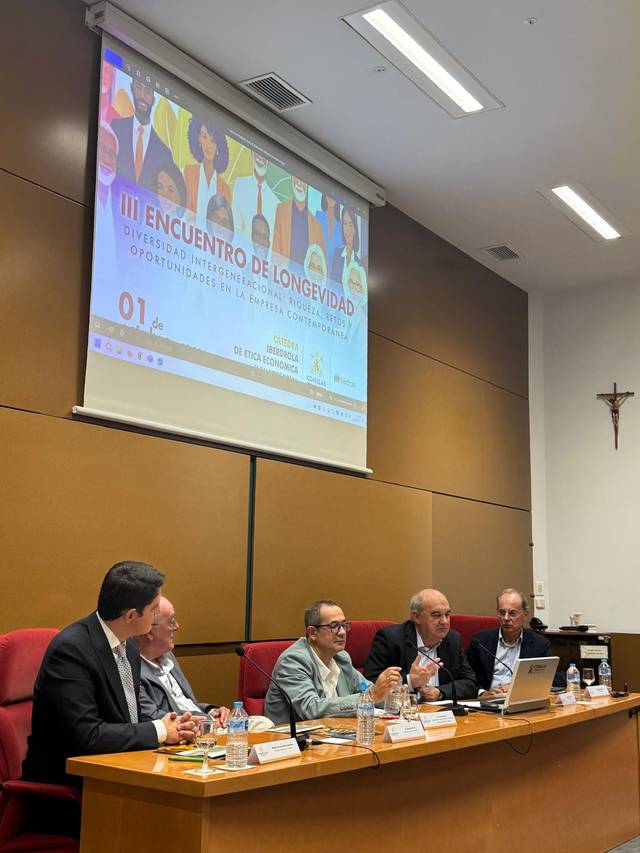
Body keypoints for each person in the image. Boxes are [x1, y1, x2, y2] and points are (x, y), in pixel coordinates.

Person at [23, 561, 195, 786]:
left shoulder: (129, 646)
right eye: (154, 610)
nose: (156, 617)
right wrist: (159, 730)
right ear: (131, 616)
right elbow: (88, 736)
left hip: (120, 767)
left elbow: (127, 719)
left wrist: (173, 727)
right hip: (69, 783)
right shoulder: (71, 650)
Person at [264, 599, 401, 724]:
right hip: (295, 742)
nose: (342, 632)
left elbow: (368, 690)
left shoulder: (341, 658)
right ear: (312, 633)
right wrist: (372, 696)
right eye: (334, 626)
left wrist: (392, 695)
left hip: (337, 736)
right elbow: (311, 709)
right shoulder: (293, 661)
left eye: (344, 625)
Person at [364, 589, 478, 700]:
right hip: (402, 713)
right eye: (436, 615)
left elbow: (471, 684)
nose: (444, 621)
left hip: (440, 714)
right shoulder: (391, 639)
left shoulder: (453, 640)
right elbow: (368, 683)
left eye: (447, 614)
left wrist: (439, 692)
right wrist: (410, 681)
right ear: (416, 617)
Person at [136, 596, 230, 725]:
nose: (177, 627)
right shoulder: (132, 671)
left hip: (204, 726)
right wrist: (209, 721)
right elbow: (153, 717)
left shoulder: (168, 657)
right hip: (182, 737)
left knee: (260, 723)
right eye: (171, 621)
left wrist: (211, 711)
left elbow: (186, 704)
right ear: (148, 630)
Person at [467, 588, 565, 696]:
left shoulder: (539, 644)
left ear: (525, 614)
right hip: (488, 702)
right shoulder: (480, 641)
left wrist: (518, 686)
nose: (506, 618)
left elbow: (558, 677)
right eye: (502, 612)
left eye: (512, 613)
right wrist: (483, 693)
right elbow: (468, 677)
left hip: (521, 699)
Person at [111, 79, 173, 192]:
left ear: (154, 97)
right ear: (132, 88)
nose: (142, 96)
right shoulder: (115, 129)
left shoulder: (165, 154)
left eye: (148, 91)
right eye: (138, 88)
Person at [183, 117, 231, 221]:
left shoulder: (225, 189)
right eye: (204, 137)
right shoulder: (188, 173)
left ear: (218, 145)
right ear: (199, 138)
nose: (208, 145)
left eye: (213, 140)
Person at [272, 176, 326, 267]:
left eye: (303, 181)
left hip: (305, 280)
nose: (299, 183)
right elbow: (275, 252)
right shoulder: (281, 211)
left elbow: (322, 268)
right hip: (284, 277)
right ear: (292, 179)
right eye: (297, 179)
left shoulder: (316, 226)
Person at [232, 150, 279, 245]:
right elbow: (236, 226)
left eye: (265, 155)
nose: (261, 158)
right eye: (257, 153)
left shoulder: (276, 202)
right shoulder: (240, 184)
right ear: (251, 154)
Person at [329, 206, 360, 289]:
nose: (347, 229)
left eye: (350, 225)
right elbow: (331, 285)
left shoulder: (359, 264)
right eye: (344, 224)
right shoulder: (337, 254)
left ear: (355, 229)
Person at [315, 192, 342, 270]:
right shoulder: (318, 217)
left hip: (333, 273)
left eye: (334, 195)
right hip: (318, 266)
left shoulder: (340, 227)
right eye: (329, 194)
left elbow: (340, 254)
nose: (331, 197)